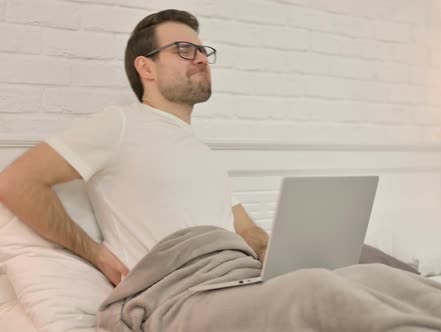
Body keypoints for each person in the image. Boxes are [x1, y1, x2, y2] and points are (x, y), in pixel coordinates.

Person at [0, 9, 269, 286]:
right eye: (185, 50)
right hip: (177, 296)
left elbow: (245, 228)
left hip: (239, 282)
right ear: (146, 68)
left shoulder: (202, 152)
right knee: (313, 293)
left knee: (311, 280)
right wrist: (96, 254)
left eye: (202, 51)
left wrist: (269, 251)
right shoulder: (121, 124)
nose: (201, 59)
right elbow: (16, 182)